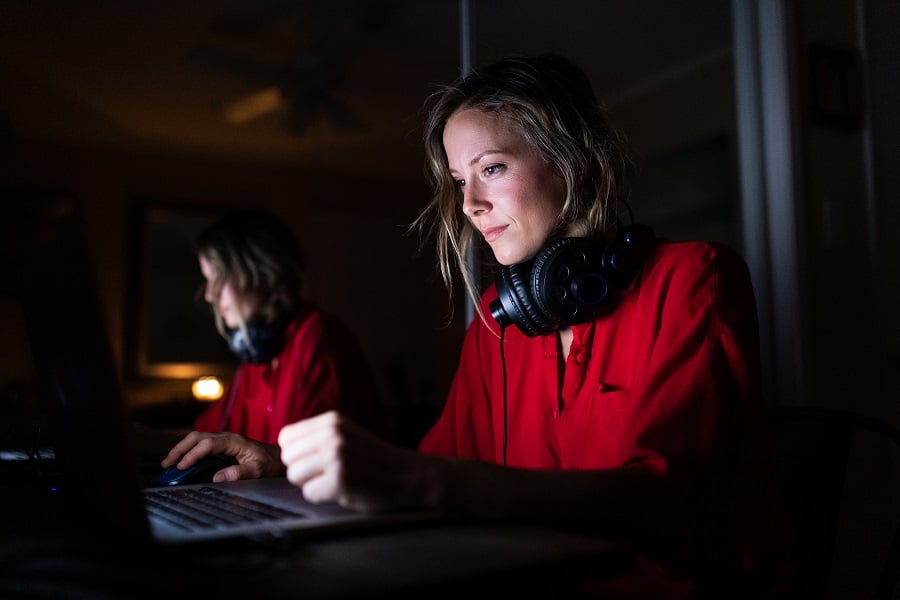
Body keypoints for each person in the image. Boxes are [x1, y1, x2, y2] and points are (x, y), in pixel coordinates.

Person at [280, 54, 787, 597]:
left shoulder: (694, 278)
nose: (470, 204)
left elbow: (665, 503)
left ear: (572, 160)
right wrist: (290, 467)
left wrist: (423, 482)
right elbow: (436, 465)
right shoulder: (499, 319)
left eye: (491, 168)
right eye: (459, 180)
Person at [159, 209, 386, 482]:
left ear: (264, 273)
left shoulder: (317, 336)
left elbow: (322, 458)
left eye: (217, 278)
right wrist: (140, 438)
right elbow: (204, 437)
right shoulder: (257, 357)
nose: (209, 295)